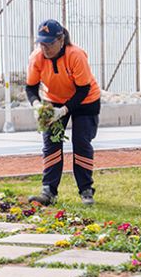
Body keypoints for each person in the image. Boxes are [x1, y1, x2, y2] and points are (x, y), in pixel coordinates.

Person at [25, 19, 101, 206]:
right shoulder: (37, 58)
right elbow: (31, 88)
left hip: (86, 101)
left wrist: (64, 111)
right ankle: (48, 191)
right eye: (42, 43)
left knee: (81, 142)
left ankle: (86, 190)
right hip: (54, 100)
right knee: (51, 142)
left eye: (50, 43)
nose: (45, 48)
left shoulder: (75, 55)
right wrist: (37, 106)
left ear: (61, 40)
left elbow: (83, 89)